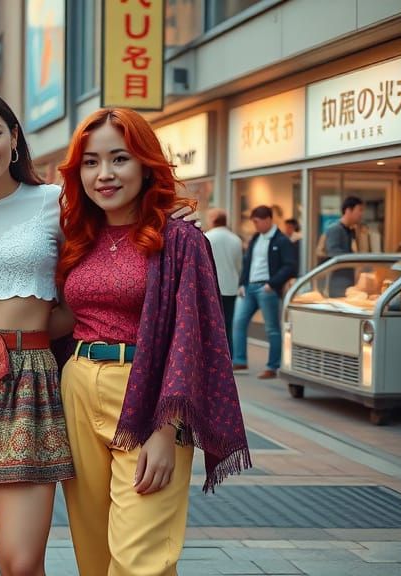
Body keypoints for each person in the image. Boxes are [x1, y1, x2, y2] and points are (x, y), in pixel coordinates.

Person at [0, 89, 197, 575]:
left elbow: (110, 257)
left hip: (32, 381)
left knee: (20, 561)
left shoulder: (58, 204)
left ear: (15, 137)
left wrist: (170, 218)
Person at [53, 107, 250, 576]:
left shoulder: (180, 240)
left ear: (145, 163)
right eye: (90, 162)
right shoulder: (78, 236)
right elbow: (62, 317)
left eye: (119, 159)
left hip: (148, 396)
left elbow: (194, 336)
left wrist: (168, 431)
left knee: (141, 559)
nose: (104, 175)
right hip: (78, 388)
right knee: (94, 554)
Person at [232, 205, 298, 379]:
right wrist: (242, 283)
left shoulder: (282, 240)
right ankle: (239, 360)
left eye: (257, 222)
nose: (255, 225)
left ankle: (272, 366)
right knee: (238, 322)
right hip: (249, 288)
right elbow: (248, 263)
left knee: (272, 329)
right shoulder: (256, 238)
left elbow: (290, 266)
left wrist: (272, 284)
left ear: (268, 219)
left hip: (267, 289)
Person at [205, 208, 243, 355]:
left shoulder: (207, 237)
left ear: (213, 219)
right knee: (227, 324)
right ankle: (229, 355)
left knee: (211, 325)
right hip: (231, 287)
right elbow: (239, 265)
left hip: (212, 288)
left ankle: (213, 354)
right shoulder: (236, 239)